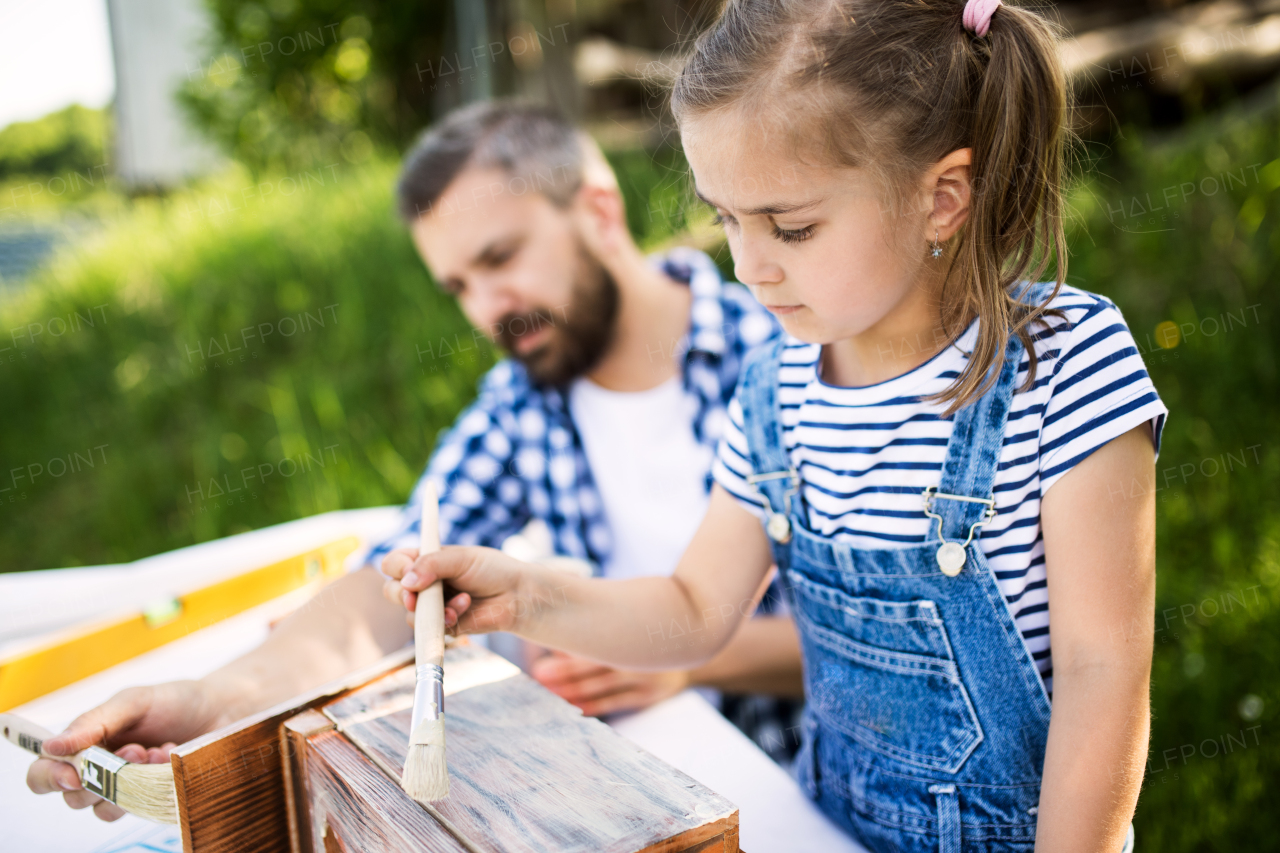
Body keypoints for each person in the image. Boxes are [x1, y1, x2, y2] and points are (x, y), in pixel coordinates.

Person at [380, 1, 1166, 850]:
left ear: (941, 199)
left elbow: (1104, 670)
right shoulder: (775, 390)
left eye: (790, 226)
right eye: (726, 217)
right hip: (825, 824)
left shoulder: (1067, 364)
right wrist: (524, 595)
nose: (750, 266)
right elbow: (693, 609)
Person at [25, 101, 803, 822]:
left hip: (803, 788)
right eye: (458, 285)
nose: (488, 307)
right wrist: (215, 697)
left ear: (598, 209)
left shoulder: (783, 356)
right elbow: (391, 582)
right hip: (649, 782)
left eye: (500, 257)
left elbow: (896, 637)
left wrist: (690, 661)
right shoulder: (524, 400)